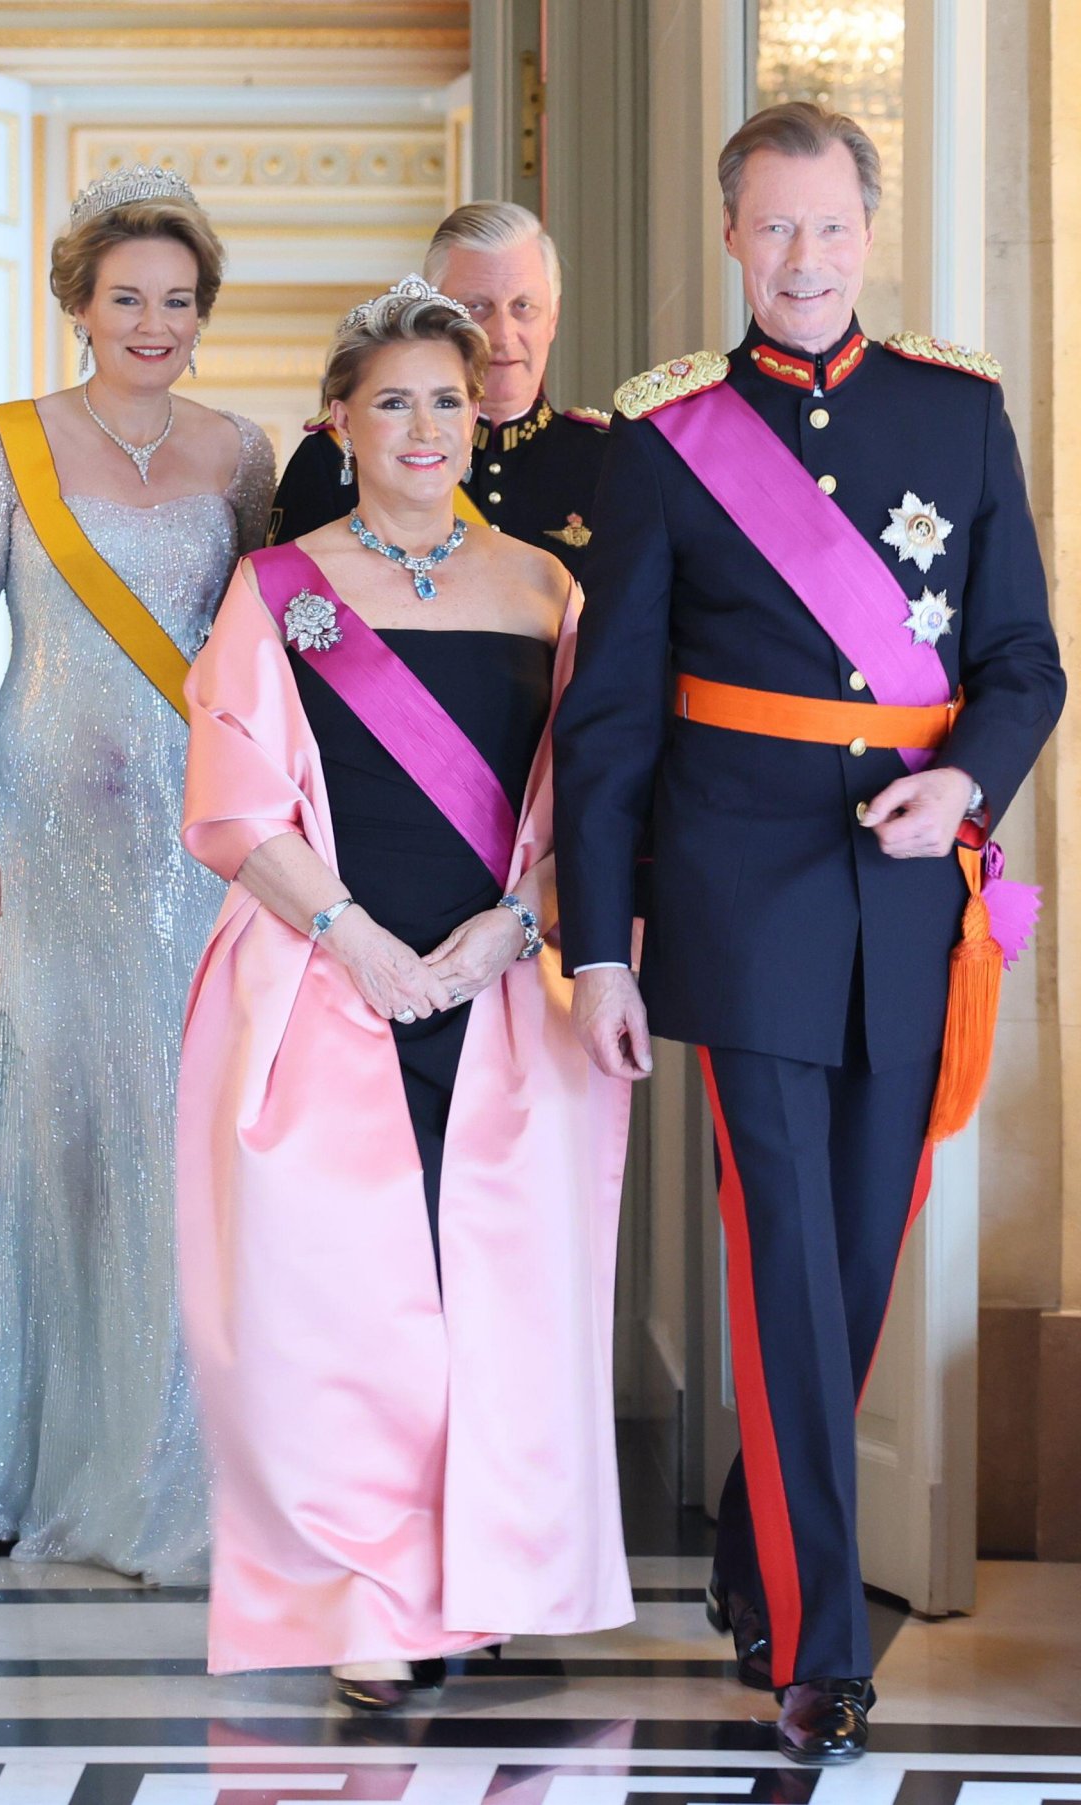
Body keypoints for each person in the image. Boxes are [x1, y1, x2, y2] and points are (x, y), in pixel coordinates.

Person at [552, 104, 1065, 1764]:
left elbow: (1024, 664)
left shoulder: (962, 417)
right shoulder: (667, 445)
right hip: (737, 893)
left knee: (853, 1254)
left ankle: (758, 1527)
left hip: (909, 891)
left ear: (869, 230)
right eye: (773, 230)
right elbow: (613, 717)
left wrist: (963, 786)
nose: (804, 260)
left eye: (830, 228)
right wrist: (603, 945)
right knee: (786, 1260)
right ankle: (824, 1646)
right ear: (731, 240)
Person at [176, 275, 633, 1709]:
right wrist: (359, 941)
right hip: (325, 977)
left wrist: (513, 927)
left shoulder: (544, 587)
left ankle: (482, 1580)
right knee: (338, 1308)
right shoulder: (280, 587)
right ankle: (360, 1599)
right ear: (341, 422)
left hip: (500, 985)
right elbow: (235, 798)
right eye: (394, 401)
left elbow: (589, 792)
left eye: (447, 397)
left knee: (497, 1295)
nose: (426, 424)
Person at [0, 165, 276, 1582]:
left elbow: (265, 662)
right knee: (47, 1132)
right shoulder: (11, 441)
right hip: (39, 838)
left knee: (170, 1132)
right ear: (80, 306)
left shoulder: (244, 455)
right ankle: (12, 1444)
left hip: (188, 845)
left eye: (178, 301)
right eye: (130, 299)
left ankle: (156, 1449)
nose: (154, 323)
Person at [266, 202, 610, 581]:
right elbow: (283, 608)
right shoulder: (334, 456)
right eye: (476, 307)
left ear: (553, 317)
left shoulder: (608, 462)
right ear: (433, 313)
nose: (502, 336)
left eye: (523, 306)